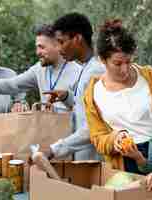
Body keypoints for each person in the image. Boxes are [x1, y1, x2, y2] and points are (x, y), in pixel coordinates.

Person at [83, 19, 152, 172]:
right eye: (117, 63)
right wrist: (114, 139)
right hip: (123, 163)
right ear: (102, 60)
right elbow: (97, 138)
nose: (124, 69)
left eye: (128, 61)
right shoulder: (93, 93)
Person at [0, 24, 80, 113]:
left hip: (69, 138)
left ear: (57, 45)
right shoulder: (39, 69)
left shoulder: (78, 73)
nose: (37, 52)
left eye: (41, 47)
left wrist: (66, 97)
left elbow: (84, 112)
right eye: (37, 48)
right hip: (48, 135)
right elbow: (13, 84)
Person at [44, 13, 106, 160]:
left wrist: (54, 150)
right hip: (85, 157)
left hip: (95, 160)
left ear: (77, 38)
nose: (59, 49)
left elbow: (93, 126)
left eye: (61, 42)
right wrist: (67, 97)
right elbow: (85, 108)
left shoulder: (95, 72)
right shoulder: (86, 68)